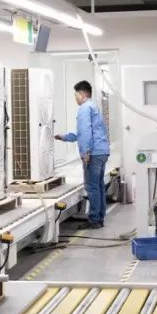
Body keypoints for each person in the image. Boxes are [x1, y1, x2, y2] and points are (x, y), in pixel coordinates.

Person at [55, 80, 111, 229]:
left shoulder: (84, 108)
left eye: (76, 95)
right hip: (102, 151)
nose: (75, 99)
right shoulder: (94, 107)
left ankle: (94, 220)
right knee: (98, 185)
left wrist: (86, 152)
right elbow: (84, 132)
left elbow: (85, 132)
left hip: (93, 153)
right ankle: (100, 217)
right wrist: (64, 137)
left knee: (91, 186)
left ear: (82, 94)